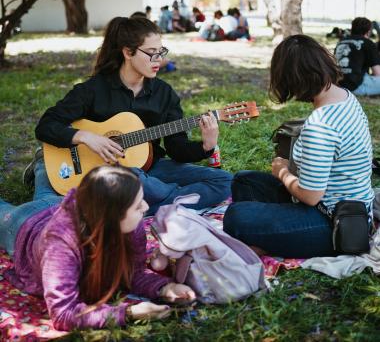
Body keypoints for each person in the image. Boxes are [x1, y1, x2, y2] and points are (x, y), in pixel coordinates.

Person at [32, 17, 232, 216]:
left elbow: (176, 149)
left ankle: (122, 208)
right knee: (49, 208)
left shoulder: (164, 93)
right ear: (128, 52)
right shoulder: (93, 89)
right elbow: (46, 126)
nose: (159, 60)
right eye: (151, 54)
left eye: (161, 52)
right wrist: (85, 137)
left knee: (224, 181)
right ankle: (144, 203)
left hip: (148, 169)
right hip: (96, 174)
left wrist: (206, 146)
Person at [223, 35, 374, 259]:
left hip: (332, 223)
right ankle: (270, 236)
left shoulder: (320, 124)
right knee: (243, 180)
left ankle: (270, 240)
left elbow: (311, 196)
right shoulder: (345, 97)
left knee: (235, 216)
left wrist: (282, 172)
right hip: (348, 208)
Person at [1, 164, 195, 331]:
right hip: (25, 223)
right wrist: (128, 313)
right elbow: (63, 314)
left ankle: (43, 165)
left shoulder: (128, 224)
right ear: (111, 216)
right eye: (137, 206)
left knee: (46, 194)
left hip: (60, 205)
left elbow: (133, 273)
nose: (145, 207)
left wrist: (165, 288)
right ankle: (43, 167)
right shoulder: (60, 246)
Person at [335, 17, 380, 96]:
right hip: (355, 87)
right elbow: (377, 73)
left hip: (337, 86)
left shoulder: (341, 42)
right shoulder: (368, 43)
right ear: (368, 31)